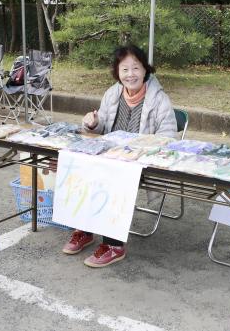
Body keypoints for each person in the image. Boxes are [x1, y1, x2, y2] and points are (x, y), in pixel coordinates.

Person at [62, 45, 177, 267]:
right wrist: (93, 124)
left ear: (145, 70)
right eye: (124, 69)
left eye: (136, 68)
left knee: (111, 176)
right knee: (79, 165)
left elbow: (168, 137)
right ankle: (84, 231)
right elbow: (101, 125)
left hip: (140, 162)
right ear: (118, 72)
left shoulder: (159, 99)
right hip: (111, 156)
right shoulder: (112, 93)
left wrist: (139, 148)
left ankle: (114, 245)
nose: (130, 74)